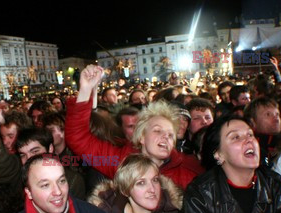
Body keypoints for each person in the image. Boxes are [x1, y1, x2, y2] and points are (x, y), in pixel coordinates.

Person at [65, 64, 203, 190]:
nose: (166, 136)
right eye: (157, 130)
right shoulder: (121, 162)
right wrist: (85, 89)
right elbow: (78, 137)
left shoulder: (188, 173)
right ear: (141, 136)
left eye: (171, 134)